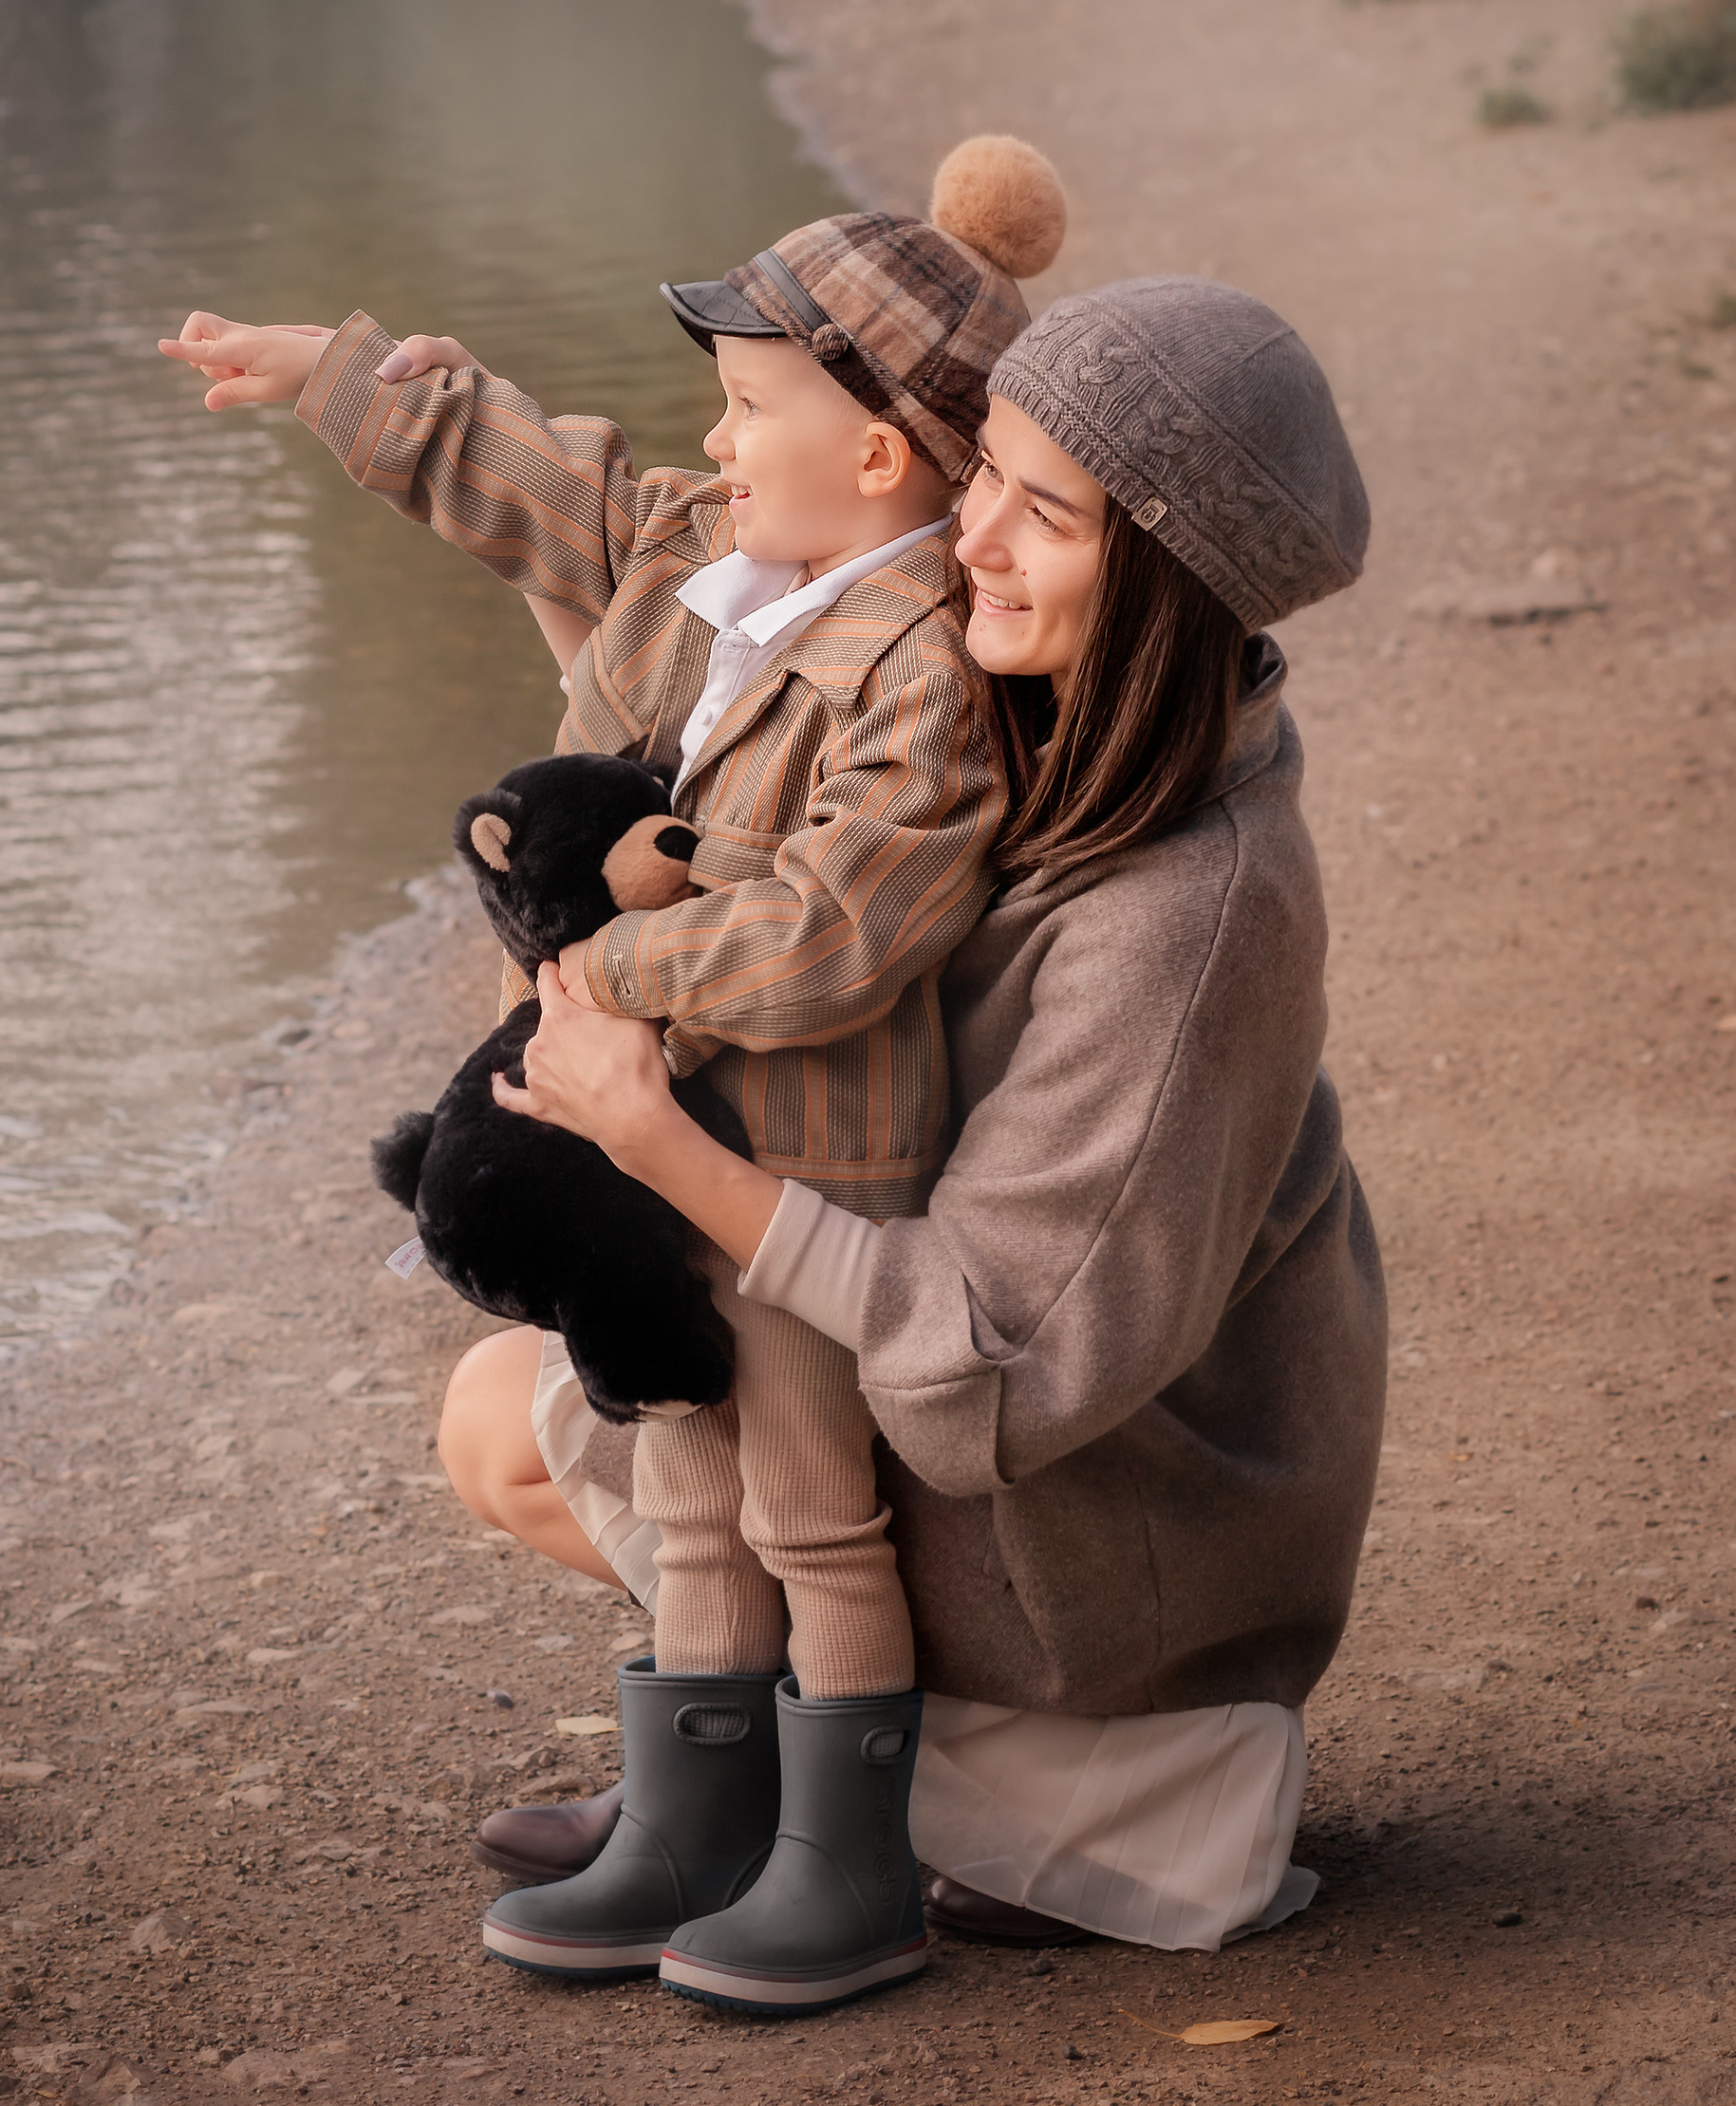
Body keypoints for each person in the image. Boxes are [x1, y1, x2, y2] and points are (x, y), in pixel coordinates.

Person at [159, 139, 1071, 2014]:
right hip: (640, 1144)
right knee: (689, 1472)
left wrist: (601, 966)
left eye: (744, 406)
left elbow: (843, 921)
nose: (712, 442)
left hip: (805, 1157)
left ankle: (848, 1860)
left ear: (880, 454)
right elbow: (551, 492)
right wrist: (338, 381)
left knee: (810, 1501)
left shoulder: (917, 670)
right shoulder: (709, 567)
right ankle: (690, 1818)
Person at [458, 273, 1390, 1963]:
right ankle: (744, 1784)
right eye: (988, 483)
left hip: (1114, 1517)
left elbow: (995, 1368)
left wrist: (663, 1147)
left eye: (1049, 517)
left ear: (1171, 581)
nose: (973, 544)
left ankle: (955, 1805)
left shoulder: (1192, 912)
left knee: (608, 1401)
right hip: (1001, 1408)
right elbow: (681, 604)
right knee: (519, 1408)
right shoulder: (1006, 716)